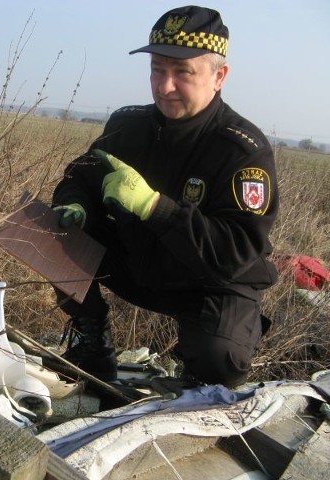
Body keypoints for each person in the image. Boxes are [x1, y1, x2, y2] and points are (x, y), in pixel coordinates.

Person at [52, 5, 278, 388]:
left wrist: (155, 207)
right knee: (47, 229)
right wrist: (74, 204)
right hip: (142, 264)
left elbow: (236, 249)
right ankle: (92, 344)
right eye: (157, 69)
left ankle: (193, 371)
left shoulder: (242, 150)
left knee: (219, 359)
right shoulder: (129, 126)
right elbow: (81, 174)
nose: (164, 86)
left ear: (219, 76)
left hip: (207, 282)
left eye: (182, 73)